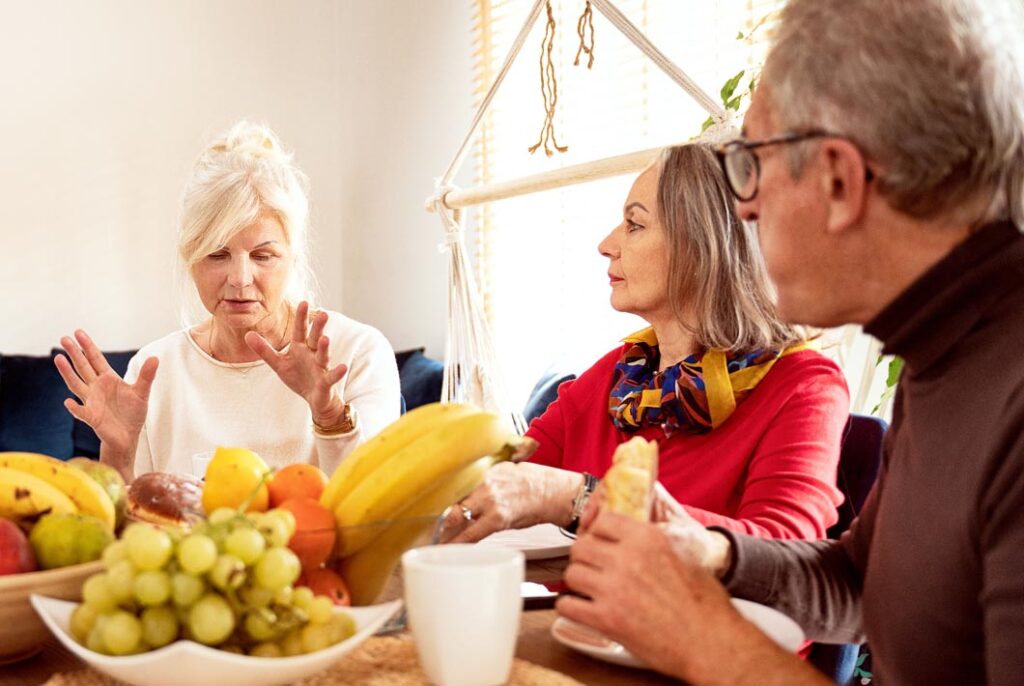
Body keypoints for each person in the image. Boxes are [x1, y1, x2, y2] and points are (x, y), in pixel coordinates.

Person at [557, 1, 1024, 684]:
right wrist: (712, 554)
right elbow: (857, 582)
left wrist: (701, 638)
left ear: (837, 179)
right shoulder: (941, 358)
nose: (742, 206)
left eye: (751, 163)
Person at [443, 144, 849, 544]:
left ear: (702, 246)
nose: (606, 244)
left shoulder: (803, 386)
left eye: (634, 225)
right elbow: (505, 483)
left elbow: (784, 550)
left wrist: (581, 499)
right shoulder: (617, 374)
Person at [55, 122, 401, 482]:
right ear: (191, 258)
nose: (240, 278)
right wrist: (118, 454)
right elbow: (133, 528)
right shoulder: (155, 370)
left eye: (263, 256)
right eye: (218, 254)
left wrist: (330, 417)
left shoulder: (356, 351)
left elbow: (375, 507)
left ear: (293, 258)